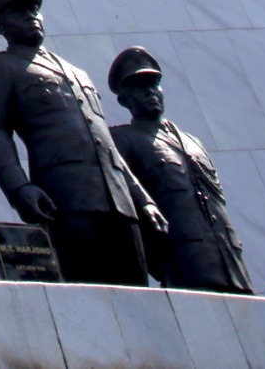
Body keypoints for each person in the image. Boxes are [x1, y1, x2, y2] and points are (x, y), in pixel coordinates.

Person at [0, 0, 165, 286]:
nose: (30, 15)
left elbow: (108, 148)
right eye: (18, 9)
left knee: (141, 298)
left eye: (34, 8)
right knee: (86, 293)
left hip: (119, 202)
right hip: (67, 198)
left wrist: (142, 199)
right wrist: (19, 188)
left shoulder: (79, 75)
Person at [107, 46, 254, 294]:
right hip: (185, 260)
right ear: (124, 99)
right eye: (140, 87)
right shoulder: (123, 139)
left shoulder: (193, 142)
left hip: (230, 258)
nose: (150, 92)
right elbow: (124, 194)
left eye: (154, 84)